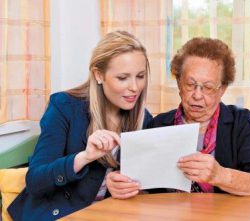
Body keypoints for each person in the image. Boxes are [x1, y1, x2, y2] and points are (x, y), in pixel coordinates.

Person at [8, 30, 152, 220]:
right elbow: (35, 181)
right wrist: (84, 157)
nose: (134, 87)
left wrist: (120, 186)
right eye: (123, 78)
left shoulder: (144, 119)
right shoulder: (64, 107)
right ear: (98, 75)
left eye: (140, 76)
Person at [106, 37, 250, 199]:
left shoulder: (243, 123)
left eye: (208, 87)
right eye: (190, 84)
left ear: (222, 89)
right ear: (179, 83)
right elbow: (144, 191)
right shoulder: (158, 125)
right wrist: (123, 187)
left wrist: (220, 175)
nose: (197, 95)